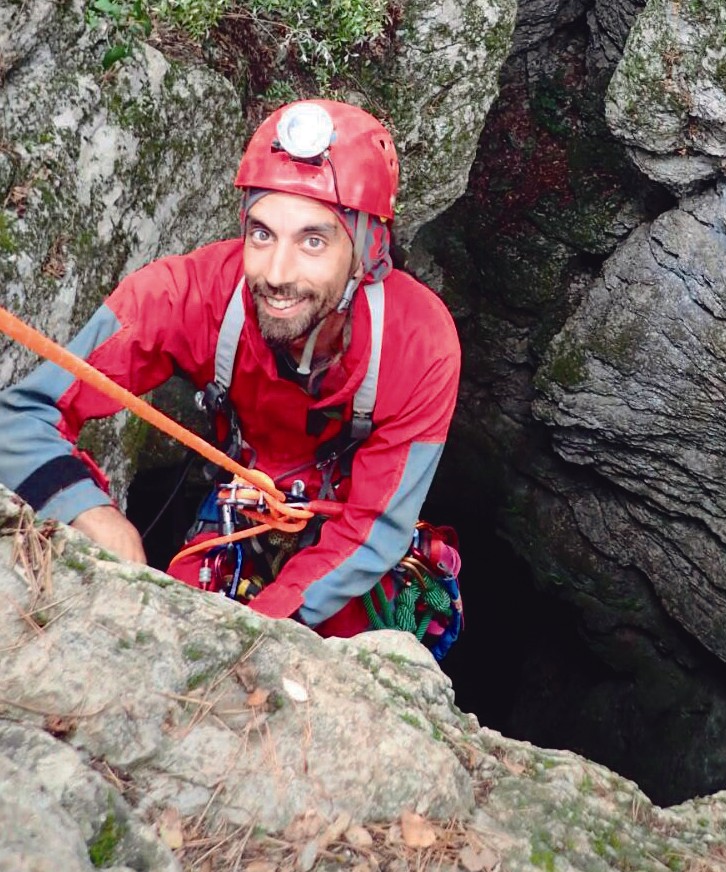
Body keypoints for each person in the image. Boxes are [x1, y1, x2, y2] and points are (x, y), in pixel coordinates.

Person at [0, 99, 461, 640]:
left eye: (313, 240)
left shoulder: (421, 344)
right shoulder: (187, 296)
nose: (276, 273)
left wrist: (256, 628)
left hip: (344, 525)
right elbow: (21, 416)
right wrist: (95, 516)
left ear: (368, 250)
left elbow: (375, 525)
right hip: (239, 508)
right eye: (262, 234)